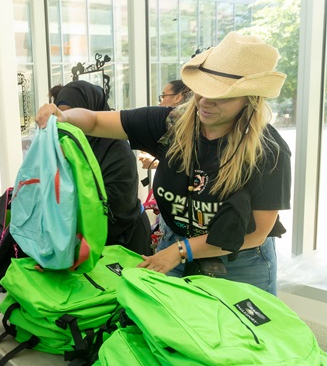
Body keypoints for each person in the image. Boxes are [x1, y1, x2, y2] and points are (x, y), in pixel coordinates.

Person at [36, 32, 291, 295]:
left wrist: (182, 251)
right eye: (202, 90)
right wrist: (63, 115)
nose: (204, 101)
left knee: (242, 335)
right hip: (175, 249)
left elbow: (258, 232)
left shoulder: (268, 150)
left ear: (250, 99)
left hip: (240, 262)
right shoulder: (169, 125)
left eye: (221, 96)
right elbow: (96, 121)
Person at [54, 80, 152, 255]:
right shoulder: (69, 145)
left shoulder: (116, 148)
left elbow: (118, 204)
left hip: (124, 238)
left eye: (73, 117)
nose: (69, 125)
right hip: (86, 238)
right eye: (63, 118)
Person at [140, 80, 193, 171]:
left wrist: (157, 162)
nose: (160, 102)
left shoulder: (181, 129)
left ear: (178, 97)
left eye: (163, 96)